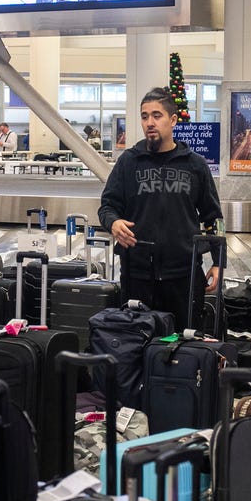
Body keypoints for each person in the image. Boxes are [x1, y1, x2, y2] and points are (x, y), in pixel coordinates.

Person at [99, 87, 223, 330]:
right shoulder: (129, 162)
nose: (150, 123)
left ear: (173, 120)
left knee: (183, 345)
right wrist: (113, 223)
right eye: (145, 116)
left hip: (184, 275)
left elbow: (213, 217)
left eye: (157, 115)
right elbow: (107, 206)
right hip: (137, 274)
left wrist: (219, 262)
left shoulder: (194, 165)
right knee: (137, 343)